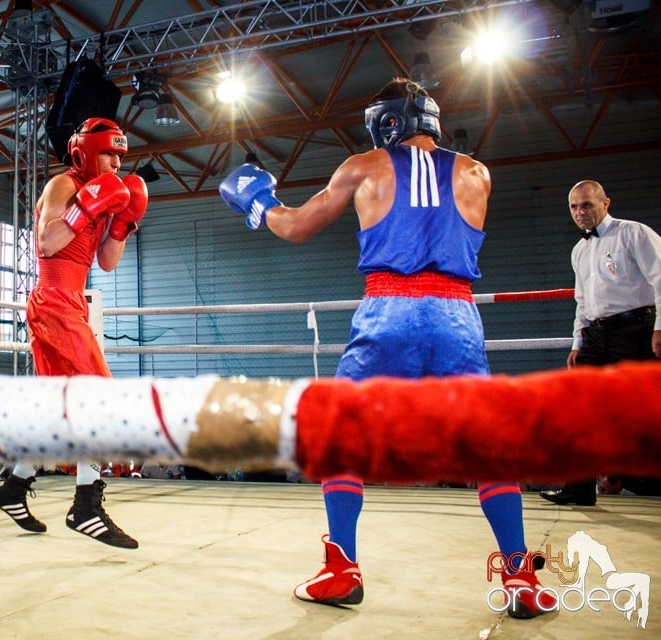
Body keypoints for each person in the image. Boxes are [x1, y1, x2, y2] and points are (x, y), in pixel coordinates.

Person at [219, 77, 555, 619]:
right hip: (456, 316)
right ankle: (518, 574)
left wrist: (258, 205)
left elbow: (299, 227)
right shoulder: (477, 173)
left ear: (387, 122)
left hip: (390, 310)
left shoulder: (364, 165)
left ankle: (342, 568)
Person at [0, 117, 147, 549]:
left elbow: (109, 262)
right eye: (109, 153)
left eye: (120, 155)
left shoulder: (110, 194)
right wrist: (89, 205)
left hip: (72, 303)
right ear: (84, 153)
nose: (116, 162)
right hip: (53, 302)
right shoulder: (63, 185)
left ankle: (14, 487)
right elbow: (46, 244)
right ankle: (85, 506)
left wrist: (122, 222)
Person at [539, 180, 661, 506]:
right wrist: (577, 342)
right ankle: (579, 490)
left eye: (587, 205)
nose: (580, 212)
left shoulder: (634, 234)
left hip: (636, 329)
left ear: (605, 203)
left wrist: (660, 326)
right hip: (595, 334)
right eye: (574, 207)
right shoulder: (579, 250)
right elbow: (582, 300)